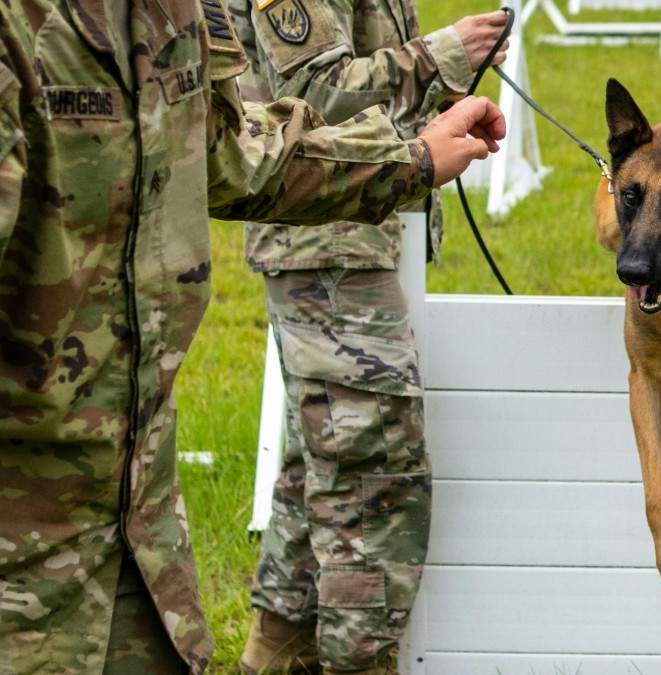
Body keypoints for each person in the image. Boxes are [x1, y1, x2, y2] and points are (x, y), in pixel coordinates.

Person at [0, 0, 505, 670]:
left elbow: (227, 151)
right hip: (23, 561)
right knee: (365, 461)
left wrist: (409, 157)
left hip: (137, 549)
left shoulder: (168, 11)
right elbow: (309, 87)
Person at [228, 2, 509, 673]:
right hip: (326, 236)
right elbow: (313, 94)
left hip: (350, 225)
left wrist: (441, 92)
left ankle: (280, 643)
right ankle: (357, 659)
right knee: (371, 472)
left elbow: (353, 77)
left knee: (324, 452)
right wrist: (441, 55)